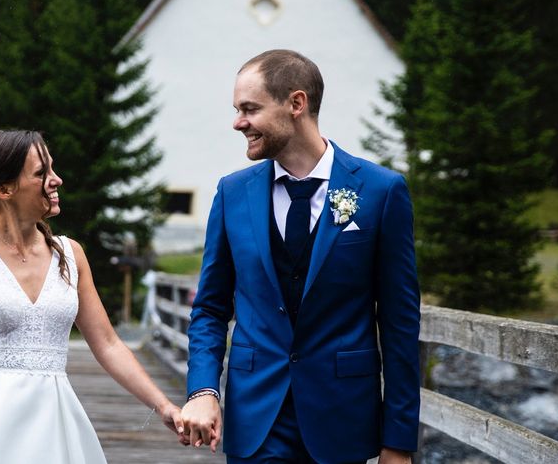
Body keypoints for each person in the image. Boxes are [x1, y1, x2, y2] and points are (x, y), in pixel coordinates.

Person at [180, 50, 421, 463]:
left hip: (342, 419)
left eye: (250, 109)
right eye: (237, 110)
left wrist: (398, 441)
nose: (238, 123)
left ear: (296, 104)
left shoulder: (381, 192)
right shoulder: (232, 193)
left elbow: (400, 322)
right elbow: (209, 309)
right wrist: (203, 390)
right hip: (256, 420)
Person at [0, 129, 186, 463]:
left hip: (52, 420)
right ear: (5, 189)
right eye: (42, 173)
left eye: (52, 169)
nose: (57, 180)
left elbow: (108, 344)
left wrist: (164, 406)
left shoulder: (71, 255)